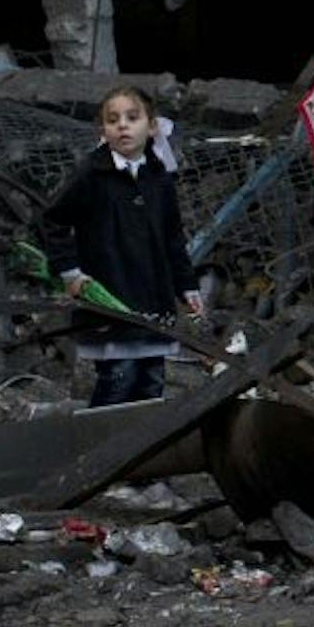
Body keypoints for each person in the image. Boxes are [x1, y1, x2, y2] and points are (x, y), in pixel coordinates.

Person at [43, 85, 202, 408]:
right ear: (103, 129)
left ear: (152, 126)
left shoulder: (159, 178)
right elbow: (53, 220)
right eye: (113, 120)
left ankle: (143, 452)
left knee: (152, 378)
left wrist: (187, 286)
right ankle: (102, 449)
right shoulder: (92, 173)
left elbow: (173, 236)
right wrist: (70, 271)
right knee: (119, 375)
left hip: (153, 295)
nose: (123, 126)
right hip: (110, 290)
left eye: (132, 117)